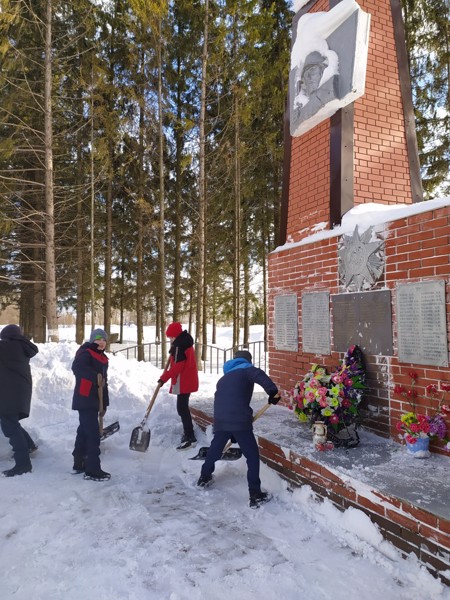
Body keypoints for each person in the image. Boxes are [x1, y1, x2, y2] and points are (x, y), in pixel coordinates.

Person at [197, 350, 280, 508]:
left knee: (215, 448)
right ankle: (255, 494)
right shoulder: (246, 369)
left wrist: (230, 429)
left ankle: (204, 477)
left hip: (221, 419)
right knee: (252, 456)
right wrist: (272, 392)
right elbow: (259, 375)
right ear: (247, 360)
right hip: (240, 420)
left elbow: (226, 400)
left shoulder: (223, 379)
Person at [71, 328, 111, 481]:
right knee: (93, 434)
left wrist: (104, 403)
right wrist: (96, 377)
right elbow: (78, 368)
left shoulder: (103, 357)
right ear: (92, 340)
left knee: (84, 431)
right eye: (98, 339)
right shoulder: (85, 352)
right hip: (85, 398)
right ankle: (92, 469)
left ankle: (79, 462)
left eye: (104, 340)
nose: (101, 342)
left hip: (96, 400)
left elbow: (104, 383)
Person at [0, 324, 39, 477]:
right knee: (11, 422)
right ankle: (29, 445)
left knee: (10, 427)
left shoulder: (7, 348)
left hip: (10, 393)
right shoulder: (21, 347)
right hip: (18, 392)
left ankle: (23, 464)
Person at [158, 322, 199, 450]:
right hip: (188, 379)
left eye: (171, 337)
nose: (170, 340)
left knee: (182, 408)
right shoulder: (184, 344)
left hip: (184, 381)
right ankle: (188, 433)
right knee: (182, 407)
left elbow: (177, 368)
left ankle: (190, 436)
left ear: (176, 336)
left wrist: (163, 378)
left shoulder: (180, 347)